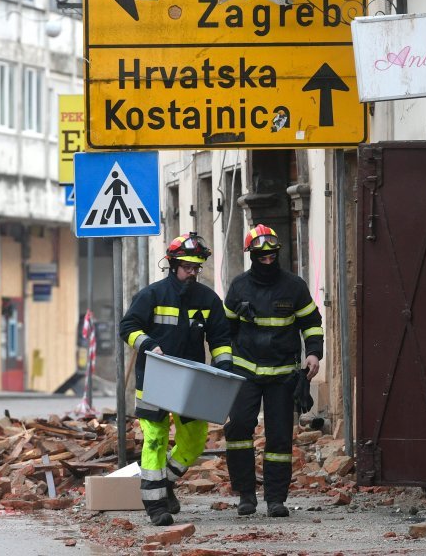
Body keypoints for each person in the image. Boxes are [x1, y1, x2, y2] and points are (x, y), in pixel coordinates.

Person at [119, 232, 233, 526]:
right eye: (187, 268)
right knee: (155, 439)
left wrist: (224, 369)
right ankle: (155, 506)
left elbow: (220, 338)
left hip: (191, 383)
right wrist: (146, 343)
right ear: (173, 265)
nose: (192, 273)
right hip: (154, 379)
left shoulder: (208, 299)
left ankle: (164, 483)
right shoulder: (152, 295)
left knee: (194, 441)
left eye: (197, 268)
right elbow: (128, 326)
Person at [223, 224, 324, 517]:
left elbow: (311, 323)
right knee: (240, 428)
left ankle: (276, 499)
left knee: (279, 438)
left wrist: (314, 354)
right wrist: (223, 364)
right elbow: (224, 330)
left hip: (282, 374)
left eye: (272, 256)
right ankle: (245, 495)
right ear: (252, 256)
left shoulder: (294, 286)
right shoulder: (239, 287)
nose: (267, 261)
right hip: (245, 372)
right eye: (261, 256)